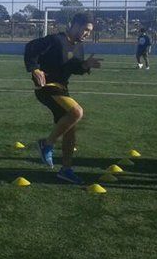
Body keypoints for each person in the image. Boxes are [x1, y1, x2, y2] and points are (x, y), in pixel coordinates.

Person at [24, 12, 103, 185]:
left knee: (70, 130)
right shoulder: (55, 40)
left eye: (90, 31)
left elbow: (73, 67)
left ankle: (66, 170)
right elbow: (30, 48)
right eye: (86, 29)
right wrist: (34, 69)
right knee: (77, 112)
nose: (87, 34)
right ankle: (47, 144)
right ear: (75, 25)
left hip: (62, 89)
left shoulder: (79, 46)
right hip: (47, 87)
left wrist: (85, 65)